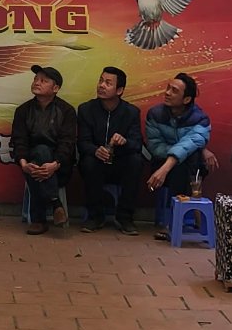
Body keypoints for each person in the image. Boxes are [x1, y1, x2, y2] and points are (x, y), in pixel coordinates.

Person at [11, 65, 77, 235]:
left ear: (55, 88)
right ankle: (55, 203)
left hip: (60, 166)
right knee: (39, 153)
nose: (37, 83)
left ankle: (39, 220)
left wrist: (54, 165)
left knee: (42, 153)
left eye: (43, 81)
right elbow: (19, 141)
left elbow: (67, 143)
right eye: (35, 79)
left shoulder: (66, 111)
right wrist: (24, 164)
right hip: (31, 165)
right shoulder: (23, 111)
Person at [76, 66, 142, 235]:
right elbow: (82, 142)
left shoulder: (131, 112)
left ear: (119, 90)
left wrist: (124, 142)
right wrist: (95, 150)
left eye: (108, 83)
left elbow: (137, 144)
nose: (101, 86)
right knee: (88, 162)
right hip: (96, 163)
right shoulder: (86, 110)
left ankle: (125, 217)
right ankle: (95, 216)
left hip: (120, 163)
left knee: (135, 161)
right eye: (101, 81)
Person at [145, 72, 211, 240]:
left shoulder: (200, 119)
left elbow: (194, 141)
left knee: (185, 162)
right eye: (168, 88)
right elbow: (155, 146)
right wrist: (179, 155)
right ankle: (176, 222)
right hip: (160, 166)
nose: (167, 93)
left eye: (174, 91)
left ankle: (174, 223)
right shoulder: (155, 114)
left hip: (185, 169)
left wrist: (170, 164)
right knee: (187, 157)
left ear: (186, 99)